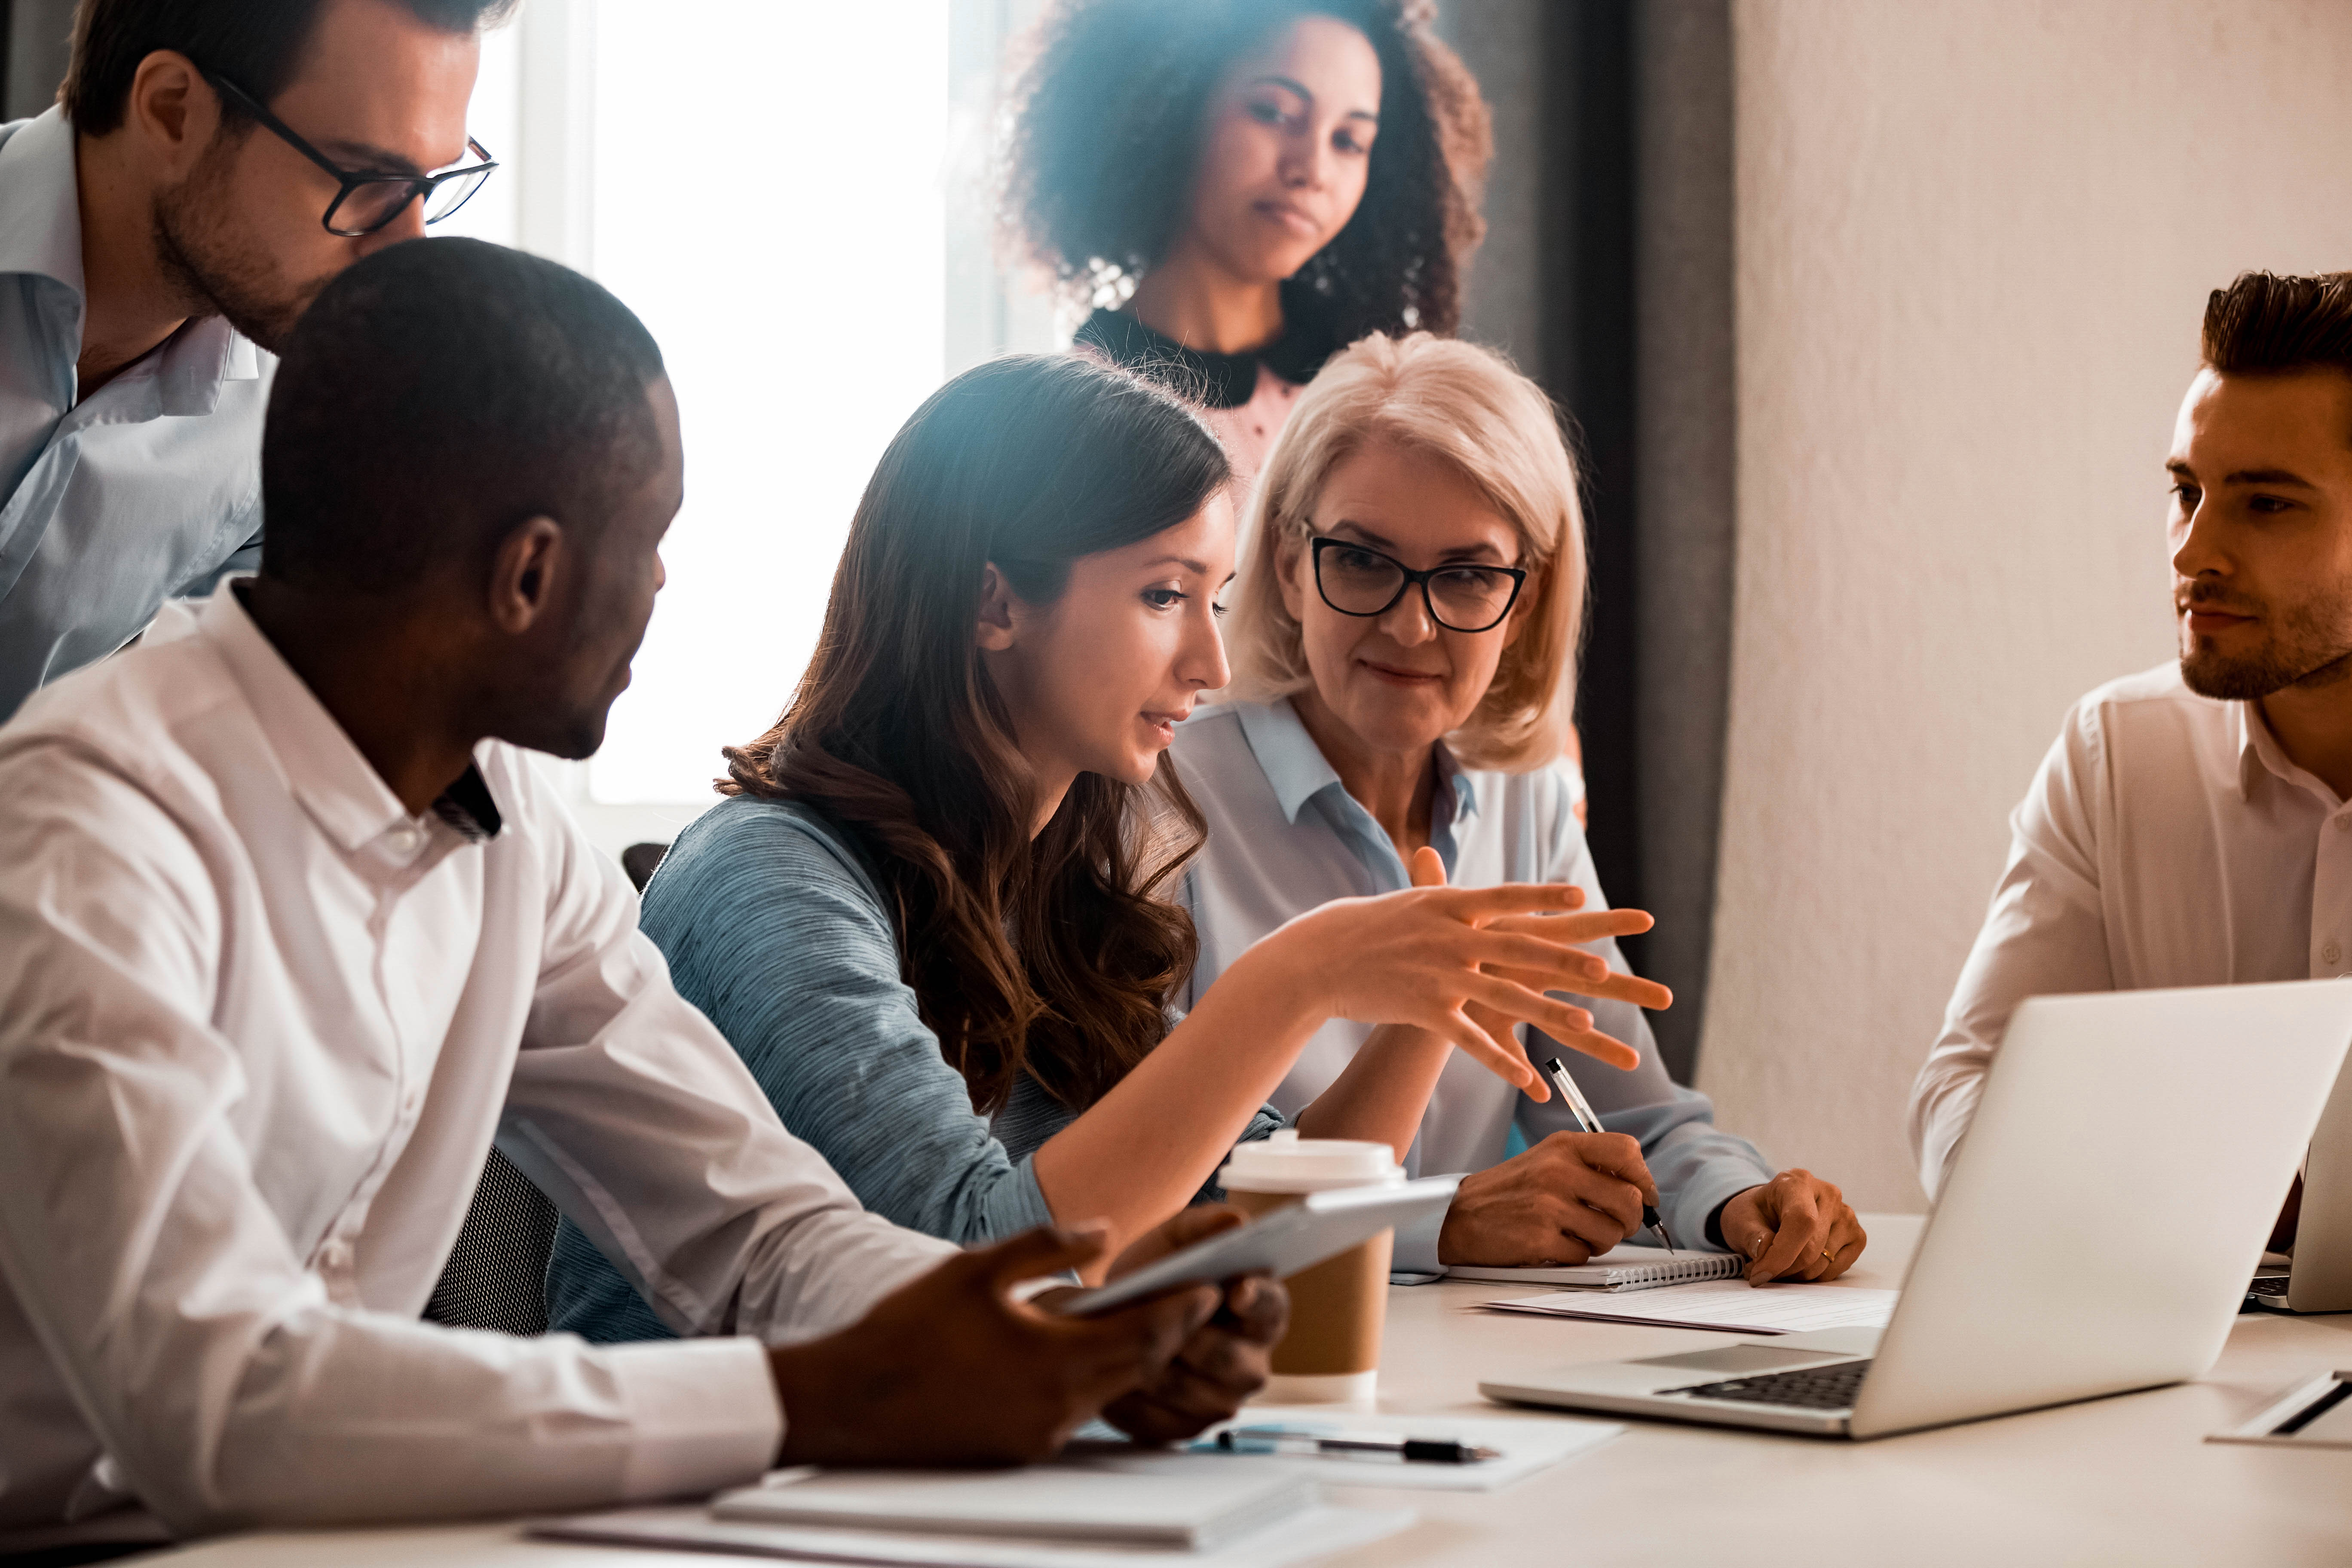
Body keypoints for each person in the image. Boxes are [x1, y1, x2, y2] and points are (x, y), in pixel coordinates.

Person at [0, 239, 1288, 1545]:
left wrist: (1070, 1339)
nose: (665, 590)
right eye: (652, 541)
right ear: (529, 575)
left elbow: (760, 1233)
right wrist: (808, 1399)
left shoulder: (512, 824)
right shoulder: (86, 830)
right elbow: (217, 1407)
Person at [545, 349, 1657, 1343]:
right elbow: (975, 1265)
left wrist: (1432, 991)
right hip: (702, 1508)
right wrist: (1291, 981)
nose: (1213, 667)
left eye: (1213, 601)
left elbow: (1278, 1220)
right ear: (995, 603)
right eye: (1164, 595)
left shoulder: (1049, 891)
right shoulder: (769, 879)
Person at [1180, 331, 1867, 1284]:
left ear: (1523, 600)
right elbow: (1178, 1188)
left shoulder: (1524, 800)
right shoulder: (1160, 799)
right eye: (1365, 561)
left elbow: (1633, 1117)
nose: (1412, 624)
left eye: (1466, 575)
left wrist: (1738, 1204)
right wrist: (1442, 1220)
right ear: (1293, 567)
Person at [1911, 270, 2352, 1241]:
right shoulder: (2116, 753)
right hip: (2202, 1359)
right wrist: (2177, 1190)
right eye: (2184, 492)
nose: (2194, 551)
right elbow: (1962, 1096)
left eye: (2265, 505)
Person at [0, 0, 511, 724]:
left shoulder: (306, 427)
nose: (406, 250)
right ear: (173, 110)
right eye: (367, 180)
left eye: (428, 186)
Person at [999, 0, 1489, 498]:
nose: (1313, 170)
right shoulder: (1073, 423)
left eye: (1349, 140)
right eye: (1274, 112)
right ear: (1171, 109)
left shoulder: (1373, 390)